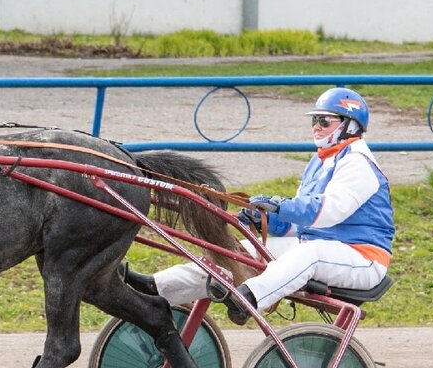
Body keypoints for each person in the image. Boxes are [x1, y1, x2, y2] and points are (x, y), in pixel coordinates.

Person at [123, 87, 395, 325]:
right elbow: (299, 225)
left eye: (324, 121)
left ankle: (248, 298)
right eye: (314, 120)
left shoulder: (358, 162)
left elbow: (326, 212)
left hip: (362, 257)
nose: (316, 126)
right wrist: (265, 219)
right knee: (238, 252)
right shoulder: (320, 162)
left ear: (350, 125)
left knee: (310, 254)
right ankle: (157, 287)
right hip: (318, 246)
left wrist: (280, 206)